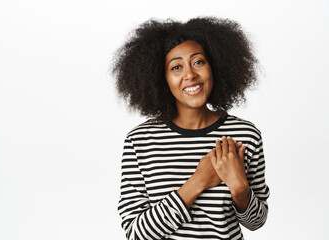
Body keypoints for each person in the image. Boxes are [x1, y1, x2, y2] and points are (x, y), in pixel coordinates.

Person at [112, 17, 270, 240]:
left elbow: (257, 222)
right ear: (161, 78)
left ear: (214, 66)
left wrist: (240, 188)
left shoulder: (245, 135)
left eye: (198, 62)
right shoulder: (141, 141)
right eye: (176, 67)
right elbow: (136, 233)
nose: (190, 75)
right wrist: (198, 181)